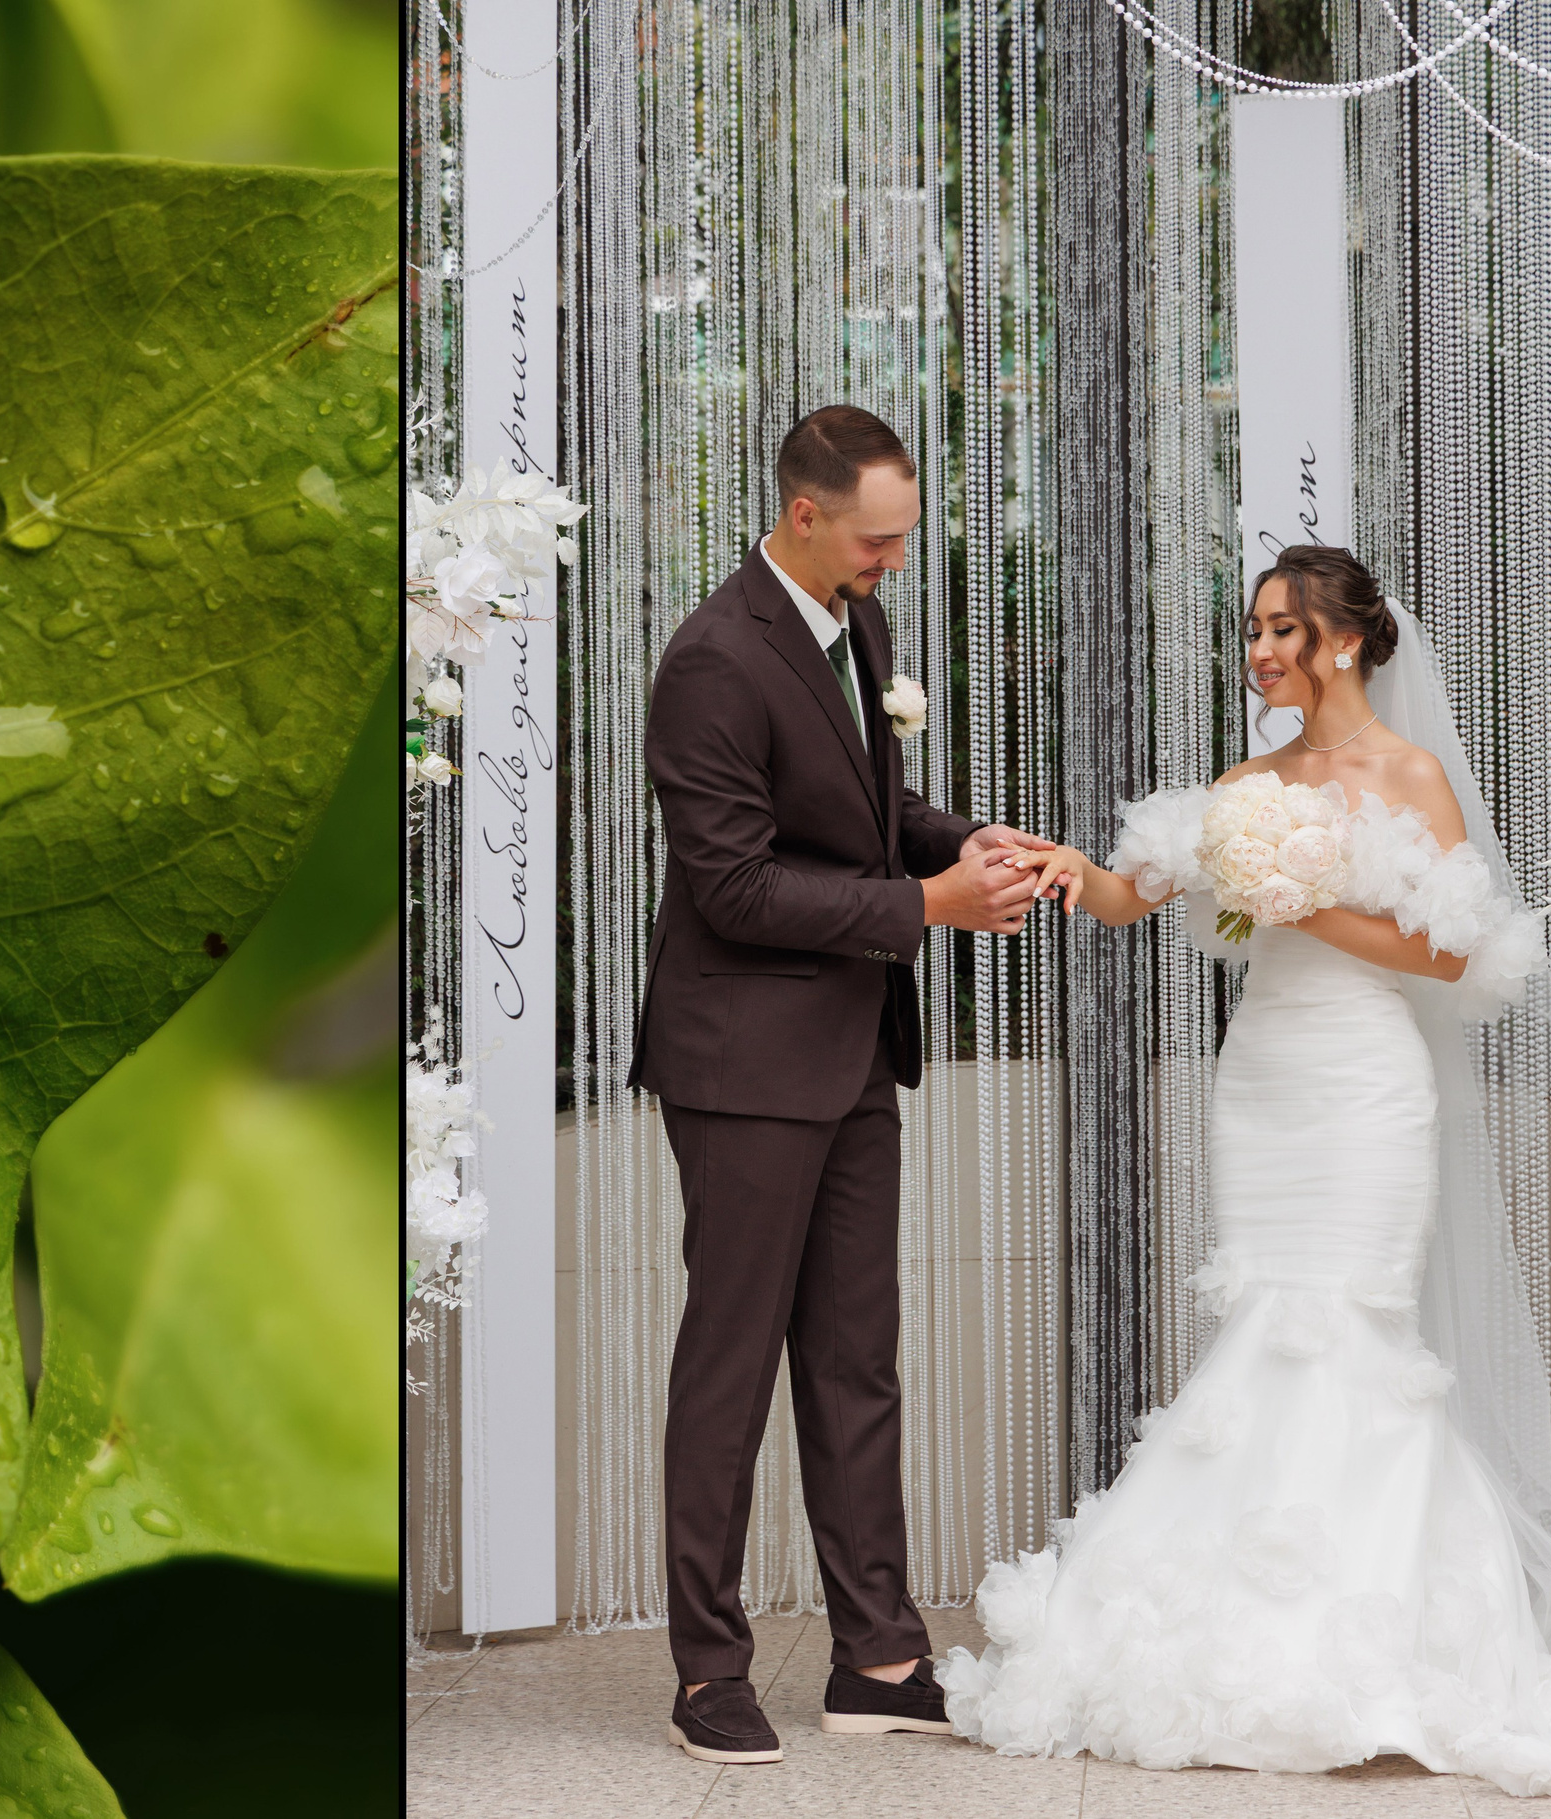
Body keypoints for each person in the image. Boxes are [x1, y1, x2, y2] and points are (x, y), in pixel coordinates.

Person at [951, 543, 1551, 1795]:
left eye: (1280, 630)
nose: (1257, 651)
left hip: (1368, 1086)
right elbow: (1130, 895)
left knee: (1351, 1331)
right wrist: (1064, 869)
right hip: (1263, 1081)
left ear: (1348, 642)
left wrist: (1296, 896)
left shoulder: (1408, 775)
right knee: (1263, 1316)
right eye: (1251, 630)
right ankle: (1230, 1643)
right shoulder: (1246, 779)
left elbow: (1445, 956)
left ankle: (1374, 1653)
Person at [629, 403, 1051, 1765]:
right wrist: (926, 901)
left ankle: (876, 1653)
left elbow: (865, 814)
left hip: (855, 1050)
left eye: (902, 539)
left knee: (857, 1361)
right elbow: (736, 884)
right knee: (731, 1364)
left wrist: (963, 840)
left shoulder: (854, 626)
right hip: (742, 1063)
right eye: (878, 540)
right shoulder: (709, 661)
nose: (893, 564)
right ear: (804, 513)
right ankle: (707, 1670)